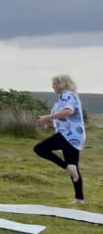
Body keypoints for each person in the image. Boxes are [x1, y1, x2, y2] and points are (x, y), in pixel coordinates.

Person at [33, 74, 86, 204]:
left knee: (39, 148)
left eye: (55, 84)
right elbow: (63, 117)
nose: (53, 86)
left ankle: (66, 166)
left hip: (69, 134)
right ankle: (79, 199)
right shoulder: (68, 97)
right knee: (74, 168)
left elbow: (68, 112)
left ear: (63, 84)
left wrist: (48, 117)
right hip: (75, 135)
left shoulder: (66, 95)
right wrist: (49, 123)